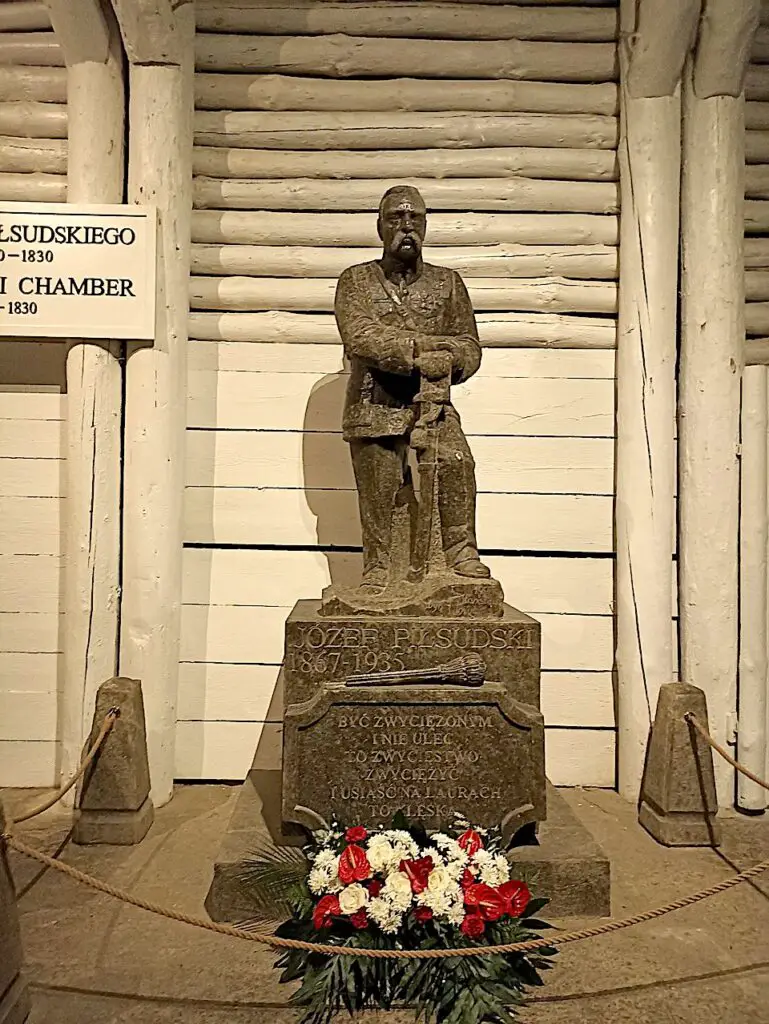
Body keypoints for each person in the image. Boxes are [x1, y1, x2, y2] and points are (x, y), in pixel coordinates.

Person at [334, 185, 491, 595]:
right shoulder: (355, 281)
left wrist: (451, 359)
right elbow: (360, 336)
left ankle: (460, 550)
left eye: (415, 219)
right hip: (374, 403)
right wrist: (419, 350)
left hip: (433, 403)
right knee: (379, 486)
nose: (406, 227)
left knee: (457, 463)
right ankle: (379, 567)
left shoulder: (448, 283)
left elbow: (469, 344)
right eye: (395, 219)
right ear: (380, 226)